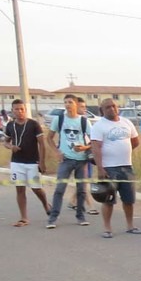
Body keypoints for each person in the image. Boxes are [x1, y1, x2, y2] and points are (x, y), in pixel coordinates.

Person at [91, 98, 141, 238]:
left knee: (129, 199)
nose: (112, 109)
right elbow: (96, 148)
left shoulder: (127, 122)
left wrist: (123, 150)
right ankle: (107, 229)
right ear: (102, 110)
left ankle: (130, 226)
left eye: (114, 106)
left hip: (126, 167)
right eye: (108, 107)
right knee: (108, 199)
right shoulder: (99, 126)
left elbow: (135, 141)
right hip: (109, 168)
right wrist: (100, 168)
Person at [46, 94, 92, 228]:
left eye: (70, 102)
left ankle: (80, 216)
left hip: (81, 160)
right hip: (65, 160)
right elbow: (49, 138)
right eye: (65, 102)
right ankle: (53, 218)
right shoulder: (59, 119)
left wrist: (84, 147)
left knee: (81, 190)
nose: (67, 104)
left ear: (76, 104)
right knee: (60, 189)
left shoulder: (84, 121)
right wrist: (56, 152)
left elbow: (93, 141)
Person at [3, 99, 50, 227]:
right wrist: (11, 147)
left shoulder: (33, 124)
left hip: (32, 162)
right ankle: (24, 217)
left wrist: (42, 162)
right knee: (20, 189)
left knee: (36, 188)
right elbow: (6, 142)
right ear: (12, 111)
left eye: (22, 109)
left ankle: (46, 204)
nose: (20, 112)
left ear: (25, 110)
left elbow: (41, 143)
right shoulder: (10, 125)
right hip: (17, 162)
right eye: (16, 109)